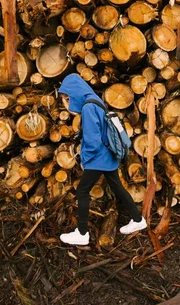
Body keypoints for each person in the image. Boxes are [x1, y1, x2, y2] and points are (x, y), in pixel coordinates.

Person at [57, 74, 147, 245]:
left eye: (68, 98)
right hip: (107, 156)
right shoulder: (94, 100)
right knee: (118, 188)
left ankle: (82, 234)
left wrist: (86, 159)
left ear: (76, 92)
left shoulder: (88, 107)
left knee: (82, 191)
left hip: (98, 158)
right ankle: (137, 220)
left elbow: (92, 140)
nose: (67, 102)